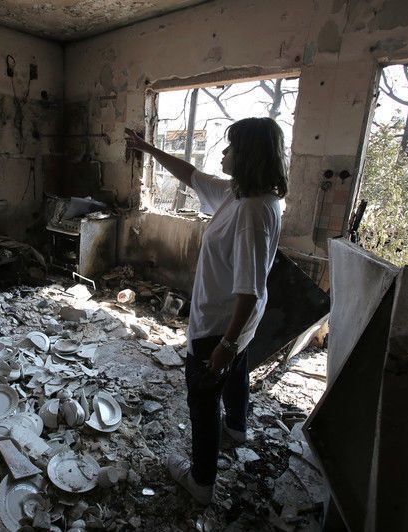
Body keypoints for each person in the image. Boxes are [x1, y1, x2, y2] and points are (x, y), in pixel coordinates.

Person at [125, 117, 287, 504]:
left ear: (248, 156)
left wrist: (225, 344)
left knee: (202, 399)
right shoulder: (243, 195)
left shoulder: (250, 213)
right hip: (236, 323)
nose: (223, 152)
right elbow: (190, 175)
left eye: (231, 147)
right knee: (237, 373)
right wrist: (148, 149)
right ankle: (237, 427)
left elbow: (248, 290)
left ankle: (201, 482)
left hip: (221, 323)